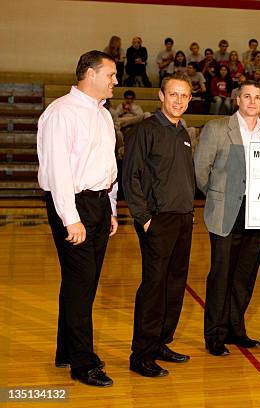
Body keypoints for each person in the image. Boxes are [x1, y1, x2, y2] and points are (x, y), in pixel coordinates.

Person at [37, 50, 119, 387]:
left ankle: (67, 350)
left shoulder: (103, 115)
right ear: (90, 73)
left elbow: (108, 166)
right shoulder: (61, 112)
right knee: (81, 284)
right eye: (111, 74)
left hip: (98, 204)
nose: (115, 81)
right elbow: (57, 170)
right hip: (72, 205)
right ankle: (83, 363)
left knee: (80, 285)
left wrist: (111, 209)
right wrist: (70, 218)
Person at [193, 81, 260, 356]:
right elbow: (201, 170)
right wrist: (218, 195)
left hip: (257, 214)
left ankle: (235, 329)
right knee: (221, 275)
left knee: (245, 276)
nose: (252, 101)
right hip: (225, 213)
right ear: (237, 99)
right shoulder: (217, 129)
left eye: (258, 97)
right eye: (247, 96)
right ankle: (214, 334)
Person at [122, 73, 195, 377]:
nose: (179, 101)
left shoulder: (184, 132)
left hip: (183, 219)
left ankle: (161, 343)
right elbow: (131, 178)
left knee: (174, 285)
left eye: (184, 96)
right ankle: (141, 354)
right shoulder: (145, 130)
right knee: (154, 287)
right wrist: (145, 218)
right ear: (161, 96)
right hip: (158, 219)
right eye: (173, 95)